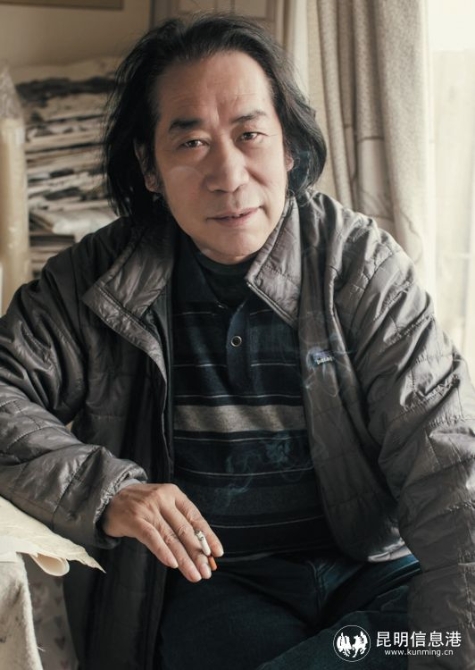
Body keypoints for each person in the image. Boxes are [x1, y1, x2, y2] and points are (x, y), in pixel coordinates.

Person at [0, 12, 474, 670]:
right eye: (191, 142)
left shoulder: (361, 266)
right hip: (220, 583)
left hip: (378, 570)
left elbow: (448, 466)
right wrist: (105, 490)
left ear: (288, 148)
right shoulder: (95, 277)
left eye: (250, 135)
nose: (228, 174)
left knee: (429, 640)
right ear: (149, 167)